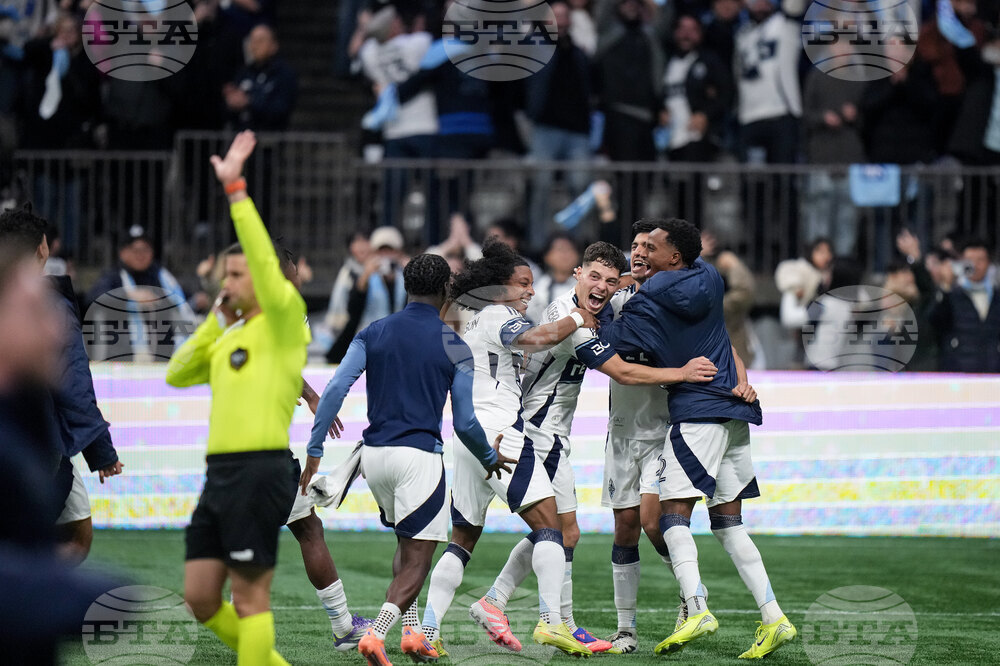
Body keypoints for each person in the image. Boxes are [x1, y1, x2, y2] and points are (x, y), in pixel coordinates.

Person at [473, 241, 717, 655]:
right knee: (561, 532)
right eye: (593, 276)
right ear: (577, 274)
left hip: (547, 431)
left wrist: (648, 271)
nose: (601, 286)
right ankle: (526, 611)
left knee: (559, 532)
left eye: (609, 280)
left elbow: (633, 282)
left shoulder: (598, 302)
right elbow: (620, 372)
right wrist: (683, 372)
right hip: (540, 432)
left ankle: (512, 606)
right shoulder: (570, 321)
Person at [599, 218, 795, 659]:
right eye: (638, 246)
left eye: (651, 247)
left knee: (670, 515)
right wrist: (741, 379)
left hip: (695, 415)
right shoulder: (709, 277)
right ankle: (774, 618)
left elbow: (611, 345)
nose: (641, 253)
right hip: (733, 411)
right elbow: (725, 340)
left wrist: (597, 309)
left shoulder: (644, 304)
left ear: (673, 257)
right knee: (728, 524)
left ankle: (696, 607)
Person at [304, 253, 512, 666]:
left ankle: (413, 632)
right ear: (446, 290)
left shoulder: (374, 331)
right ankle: (377, 633)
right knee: (419, 559)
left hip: (373, 458)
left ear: (405, 286)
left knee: (405, 542)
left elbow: (335, 388)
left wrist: (314, 449)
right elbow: (466, 423)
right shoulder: (454, 344)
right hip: (419, 458)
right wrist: (489, 456)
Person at [420, 240, 603, 657]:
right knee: (552, 527)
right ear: (500, 285)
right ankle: (552, 622)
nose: (530, 292)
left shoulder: (470, 319)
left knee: (462, 539)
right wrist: (578, 316)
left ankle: (428, 631)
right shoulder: (498, 314)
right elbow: (535, 338)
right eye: (523, 283)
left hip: (467, 436)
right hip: (500, 432)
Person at [166, 131, 307, 665]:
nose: (228, 281)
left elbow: (265, 267)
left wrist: (236, 190)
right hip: (220, 474)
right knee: (201, 598)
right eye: (225, 274)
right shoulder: (227, 336)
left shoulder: (284, 321)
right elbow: (177, 373)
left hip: (260, 469)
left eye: (238, 273)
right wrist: (216, 317)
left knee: (249, 599)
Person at [0, 204, 123, 565]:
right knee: (47, 541)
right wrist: (102, 452)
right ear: (43, 247)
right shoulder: (42, 304)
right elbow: (71, 381)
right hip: (33, 444)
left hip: (28, 439)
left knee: (75, 532)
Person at [324, 226, 407, 363]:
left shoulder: (404, 278)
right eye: (381, 251)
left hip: (396, 347)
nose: (385, 255)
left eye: (390, 251)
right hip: (368, 347)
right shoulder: (364, 276)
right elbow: (353, 308)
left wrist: (411, 272)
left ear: (399, 253)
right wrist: (366, 275)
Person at [928, 239, 1000, 372]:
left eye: (980, 260)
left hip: (994, 371)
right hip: (959, 372)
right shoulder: (950, 295)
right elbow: (934, 323)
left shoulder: (997, 296)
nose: (975, 265)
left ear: (989, 263)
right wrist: (946, 286)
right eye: (969, 260)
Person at [224, 24, 298, 131]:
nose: (255, 46)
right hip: (243, 134)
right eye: (252, 41)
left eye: (260, 41)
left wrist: (249, 102)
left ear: (274, 46)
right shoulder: (244, 72)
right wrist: (231, 101)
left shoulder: (284, 74)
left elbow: (281, 109)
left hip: (270, 137)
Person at [525, 232, 581, 324]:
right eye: (560, 249)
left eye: (570, 249)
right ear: (547, 256)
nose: (565, 255)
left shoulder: (585, 285)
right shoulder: (538, 288)